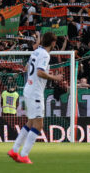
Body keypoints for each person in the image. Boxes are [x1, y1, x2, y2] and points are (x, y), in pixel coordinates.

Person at [8, 32, 58, 164]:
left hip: (28, 88)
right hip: (35, 92)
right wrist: (54, 77)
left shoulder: (35, 52)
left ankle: (14, 150)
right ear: (53, 43)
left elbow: (26, 68)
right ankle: (24, 155)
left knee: (30, 122)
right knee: (38, 124)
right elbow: (40, 72)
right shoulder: (45, 54)